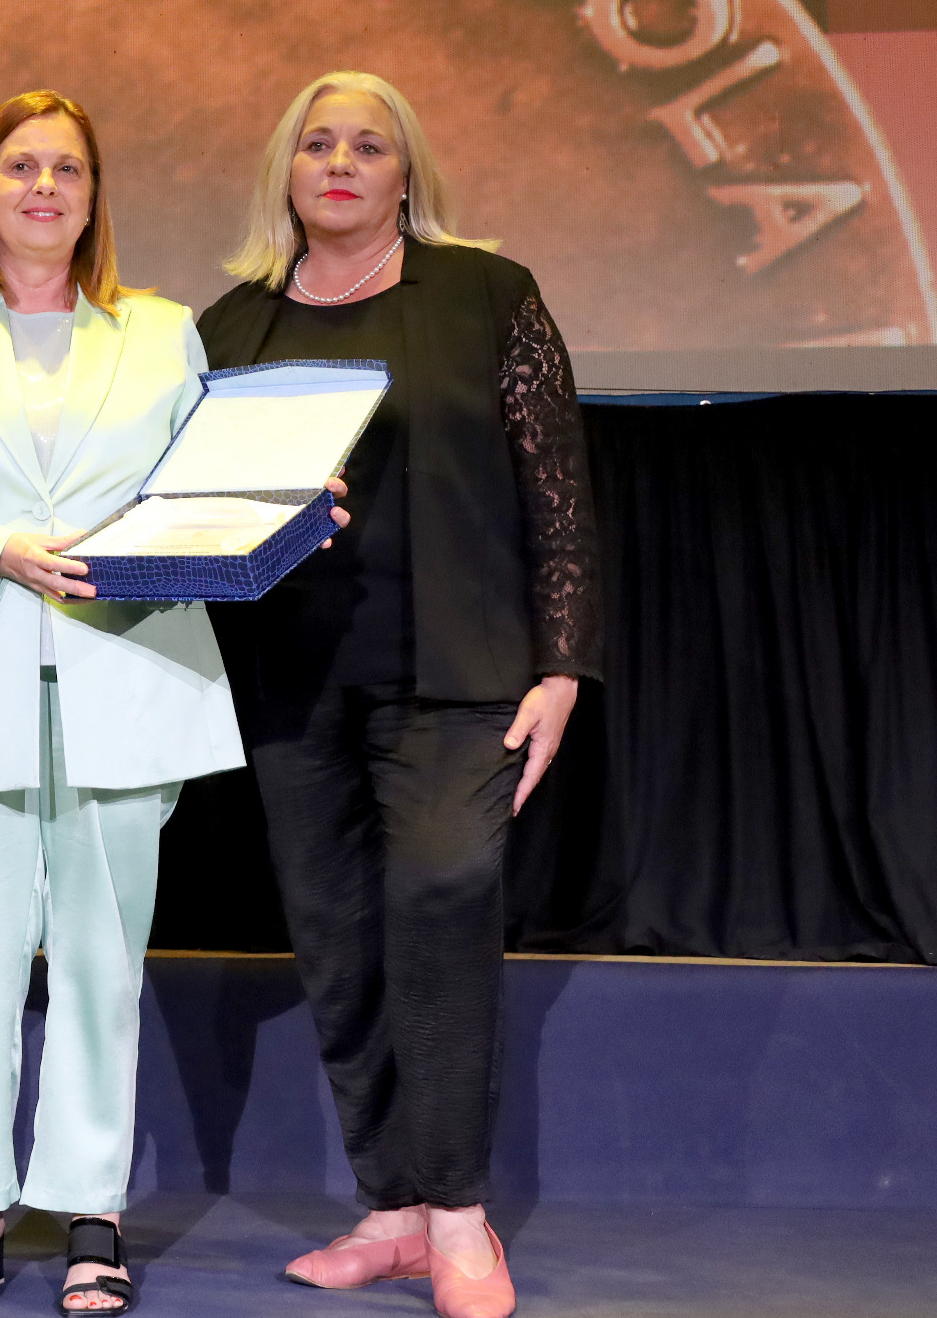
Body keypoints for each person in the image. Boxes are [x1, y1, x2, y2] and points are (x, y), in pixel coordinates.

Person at [0, 91, 271, 1317]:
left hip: (125, 675)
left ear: (93, 196)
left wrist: (287, 500)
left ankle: (93, 1207)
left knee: (100, 957)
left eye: (66, 168)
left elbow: (207, 489)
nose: (43, 187)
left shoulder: (163, 332)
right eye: (19, 166)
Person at [198, 71, 600, 1318]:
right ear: (284, 171)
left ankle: (458, 1212)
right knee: (337, 941)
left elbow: (556, 485)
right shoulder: (231, 326)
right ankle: (389, 1210)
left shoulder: (487, 292)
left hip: (459, 675)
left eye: (367, 145)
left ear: (405, 172)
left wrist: (563, 663)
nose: (339, 162)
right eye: (316, 143)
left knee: (439, 905)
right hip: (291, 683)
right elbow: (195, 508)